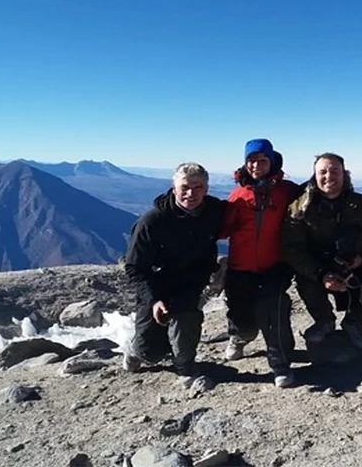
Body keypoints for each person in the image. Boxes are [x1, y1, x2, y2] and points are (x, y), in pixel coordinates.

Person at [122, 162, 225, 388]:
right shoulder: (152, 222)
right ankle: (135, 350)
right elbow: (135, 268)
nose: (191, 193)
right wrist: (153, 300)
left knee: (185, 318)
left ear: (207, 189)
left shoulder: (214, 212)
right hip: (157, 285)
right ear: (174, 187)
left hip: (190, 282)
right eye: (185, 187)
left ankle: (185, 365)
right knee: (150, 352)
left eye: (198, 187)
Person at [281, 153, 362, 352]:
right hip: (316, 265)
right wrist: (321, 274)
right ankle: (324, 321)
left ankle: (354, 322)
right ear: (315, 175)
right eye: (323, 172)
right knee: (307, 284)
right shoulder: (300, 207)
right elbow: (292, 247)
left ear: (344, 174)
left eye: (335, 171)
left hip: (355, 264)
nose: (329, 176)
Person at [221, 138, 302, 388]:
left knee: (273, 309)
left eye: (262, 160)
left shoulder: (287, 191)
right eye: (252, 160)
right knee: (241, 316)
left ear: (272, 161)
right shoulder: (238, 195)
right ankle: (240, 336)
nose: (257, 165)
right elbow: (223, 229)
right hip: (240, 267)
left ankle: (280, 364)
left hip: (274, 265)